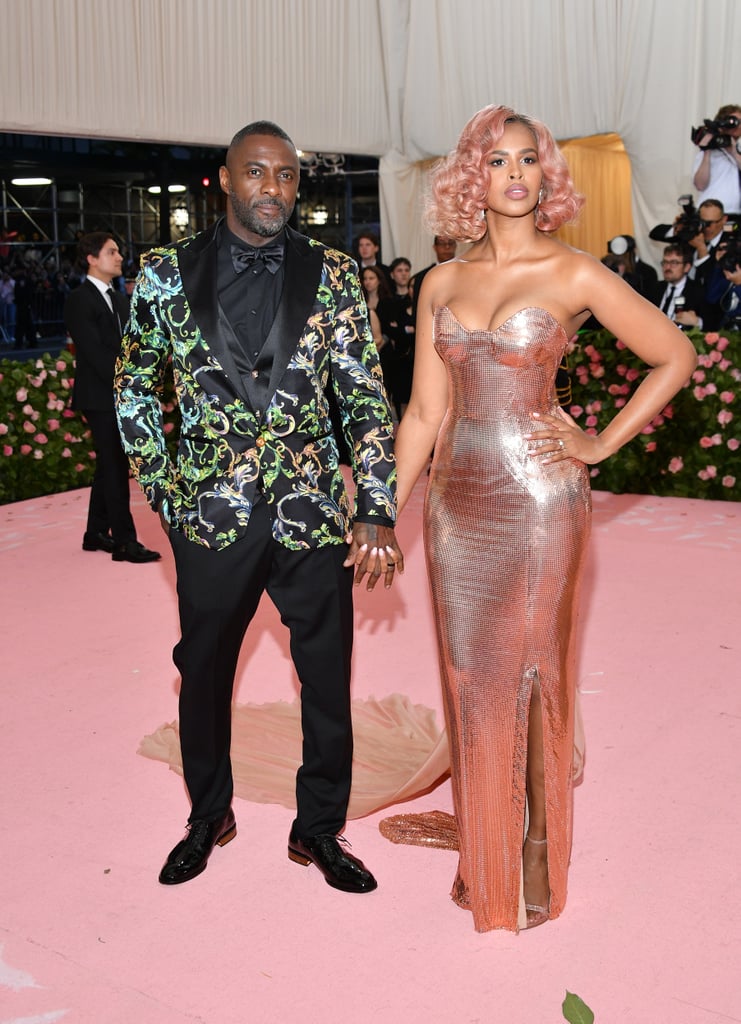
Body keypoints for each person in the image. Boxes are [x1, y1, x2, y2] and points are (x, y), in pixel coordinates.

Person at [390, 105, 696, 932]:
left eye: (529, 160)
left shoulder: (574, 275)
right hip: (455, 506)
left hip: (538, 502)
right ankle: (481, 852)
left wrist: (599, 443)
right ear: (472, 178)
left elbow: (675, 354)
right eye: (498, 161)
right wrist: (381, 511)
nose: (516, 174)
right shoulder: (441, 283)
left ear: (545, 177)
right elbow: (422, 411)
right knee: (468, 681)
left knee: (530, 671)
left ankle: (532, 857)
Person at [114, 121, 403, 892]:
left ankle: (318, 830)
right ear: (225, 179)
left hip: (313, 516)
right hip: (210, 517)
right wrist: (166, 490)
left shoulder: (336, 274)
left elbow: (365, 396)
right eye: (256, 173)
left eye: (284, 177)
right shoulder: (165, 276)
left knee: (326, 675)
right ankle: (208, 814)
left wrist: (375, 500)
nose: (271, 188)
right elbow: (135, 386)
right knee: (203, 669)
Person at [64, 233, 160, 563]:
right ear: (91, 258)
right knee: (116, 466)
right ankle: (124, 542)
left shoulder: (121, 301)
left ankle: (94, 533)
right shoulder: (79, 299)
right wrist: (129, 384)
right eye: (111, 252)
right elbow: (92, 352)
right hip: (98, 396)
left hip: (119, 394)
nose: (120, 257)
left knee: (109, 464)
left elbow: (133, 347)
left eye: (119, 251)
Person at [691, 104, 741, 216]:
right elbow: (700, 185)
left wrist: (733, 151)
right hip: (711, 215)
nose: (738, 125)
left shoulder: (738, 150)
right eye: (733, 121)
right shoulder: (708, 153)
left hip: (736, 214)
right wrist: (707, 151)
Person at [649, 242, 709, 330]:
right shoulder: (655, 288)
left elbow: (712, 324)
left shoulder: (698, 291)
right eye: (665, 262)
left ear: (687, 267)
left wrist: (697, 322)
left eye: (674, 263)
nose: (668, 267)